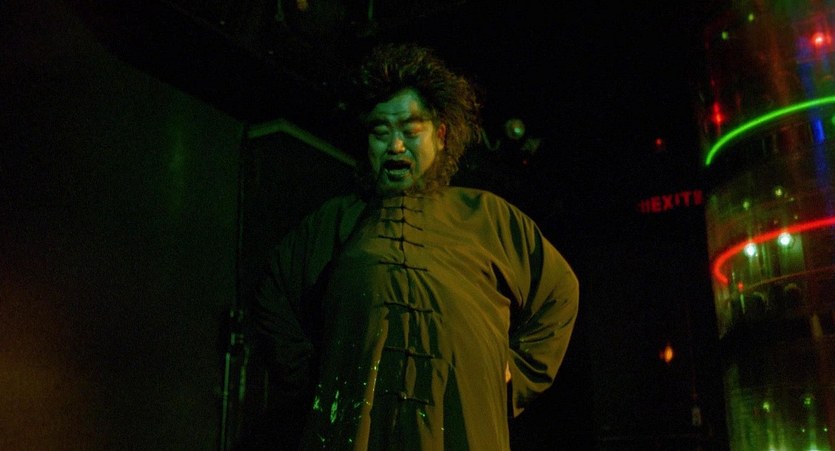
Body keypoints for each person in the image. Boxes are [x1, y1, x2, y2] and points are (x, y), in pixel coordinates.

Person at [249, 42, 579, 450]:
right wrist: (320, 380)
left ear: (441, 135)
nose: (396, 145)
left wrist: (516, 370)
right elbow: (273, 294)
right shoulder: (338, 220)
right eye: (381, 132)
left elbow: (560, 292)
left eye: (410, 130)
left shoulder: (488, 216)